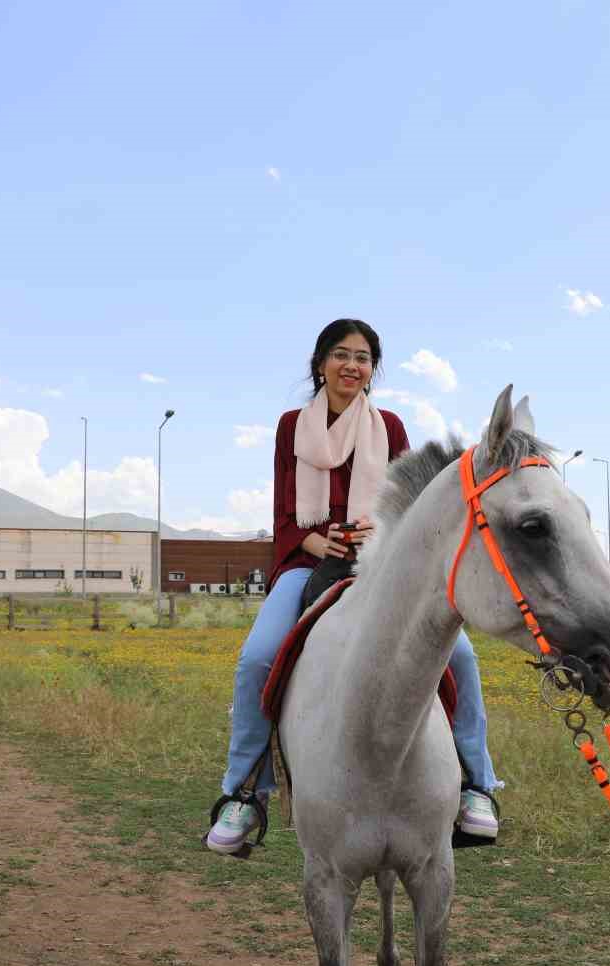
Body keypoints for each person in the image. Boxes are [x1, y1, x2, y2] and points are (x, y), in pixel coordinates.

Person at [206, 319, 503, 855]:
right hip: (306, 564)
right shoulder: (290, 426)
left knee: (459, 656)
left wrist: (380, 531)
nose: (352, 365)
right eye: (341, 355)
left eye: (363, 357)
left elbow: (412, 507)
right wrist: (315, 543)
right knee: (256, 659)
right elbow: (283, 515)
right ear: (319, 364)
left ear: (372, 370)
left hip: (381, 565)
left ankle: (475, 786)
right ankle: (245, 794)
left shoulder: (389, 426)